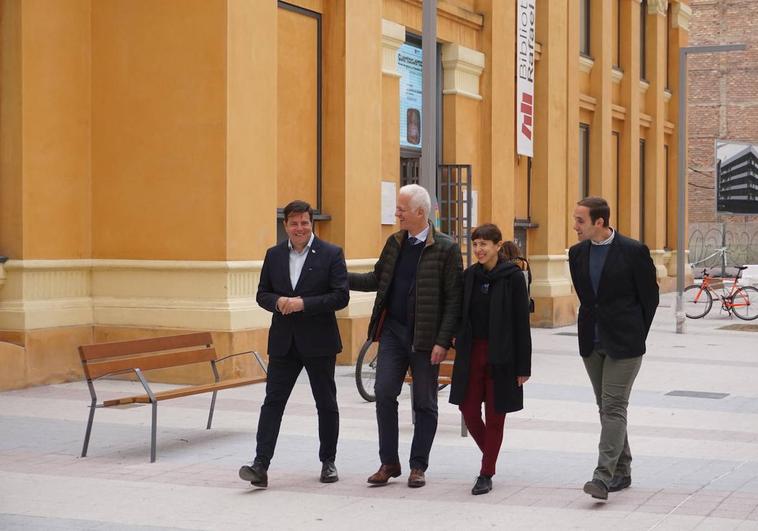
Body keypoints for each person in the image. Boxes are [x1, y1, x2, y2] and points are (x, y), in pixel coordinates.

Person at [349, 184, 463, 488]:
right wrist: (339, 277)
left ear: (420, 213)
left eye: (401, 209)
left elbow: (454, 300)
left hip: (426, 339)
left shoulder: (447, 248)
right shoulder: (394, 242)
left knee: (424, 403)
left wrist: (443, 341)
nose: (396, 214)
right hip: (393, 333)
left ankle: (418, 466)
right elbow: (377, 278)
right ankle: (389, 462)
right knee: (385, 393)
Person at [239, 200, 349, 488]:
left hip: (319, 342)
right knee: (272, 403)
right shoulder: (274, 255)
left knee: (325, 403)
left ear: (311, 223)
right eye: (293, 223)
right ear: (285, 225)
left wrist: (304, 304)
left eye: (304, 222)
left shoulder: (331, 254)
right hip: (283, 343)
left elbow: (341, 296)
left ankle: (328, 461)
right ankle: (260, 465)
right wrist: (277, 302)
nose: (299, 228)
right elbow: (262, 294)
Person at [568, 196, 659, 500]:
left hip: (625, 344)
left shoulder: (633, 251)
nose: (575, 225)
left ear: (600, 222)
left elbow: (650, 298)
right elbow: (587, 298)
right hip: (591, 343)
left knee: (614, 407)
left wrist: (635, 333)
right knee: (607, 409)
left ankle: (602, 477)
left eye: (580, 220)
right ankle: (623, 469)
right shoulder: (577, 254)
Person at [449, 224, 532, 496]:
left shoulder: (513, 278)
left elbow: (522, 324)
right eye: (475, 244)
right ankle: (491, 454)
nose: (479, 250)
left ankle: (486, 472)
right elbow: (460, 313)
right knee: (468, 411)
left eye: (484, 244)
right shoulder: (470, 276)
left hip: (502, 355)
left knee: (495, 417)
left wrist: (523, 367)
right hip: (472, 353)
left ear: (498, 246)